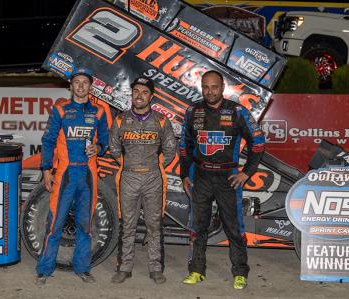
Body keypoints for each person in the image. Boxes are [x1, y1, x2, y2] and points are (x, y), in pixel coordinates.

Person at [179, 70, 265, 290]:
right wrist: (184, 175)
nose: (210, 91)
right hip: (201, 177)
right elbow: (185, 147)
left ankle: (240, 272)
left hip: (229, 178)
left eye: (214, 87)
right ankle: (197, 270)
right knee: (197, 226)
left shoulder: (237, 111)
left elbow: (258, 142)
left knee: (233, 226)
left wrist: (246, 172)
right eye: (206, 87)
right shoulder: (193, 111)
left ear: (222, 87)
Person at [35, 68, 109, 285]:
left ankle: (82, 268)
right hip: (65, 175)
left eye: (85, 82)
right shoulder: (60, 110)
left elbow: (105, 141)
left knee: (85, 226)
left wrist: (98, 146)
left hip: (88, 175)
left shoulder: (99, 111)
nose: (80, 86)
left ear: (90, 87)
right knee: (54, 224)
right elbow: (48, 141)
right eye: (76, 82)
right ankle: (44, 270)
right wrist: (46, 170)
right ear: (70, 86)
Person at [108, 77, 177, 284]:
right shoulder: (120, 120)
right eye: (136, 91)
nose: (139, 95)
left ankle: (155, 268)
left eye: (144, 92)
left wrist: (154, 167)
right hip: (128, 176)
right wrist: (128, 164)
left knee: (154, 225)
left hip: (152, 177)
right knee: (127, 225)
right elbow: (113, 148)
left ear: (151, 96)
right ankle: (125, 267)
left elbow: (170, 149)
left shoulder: (161, 120)